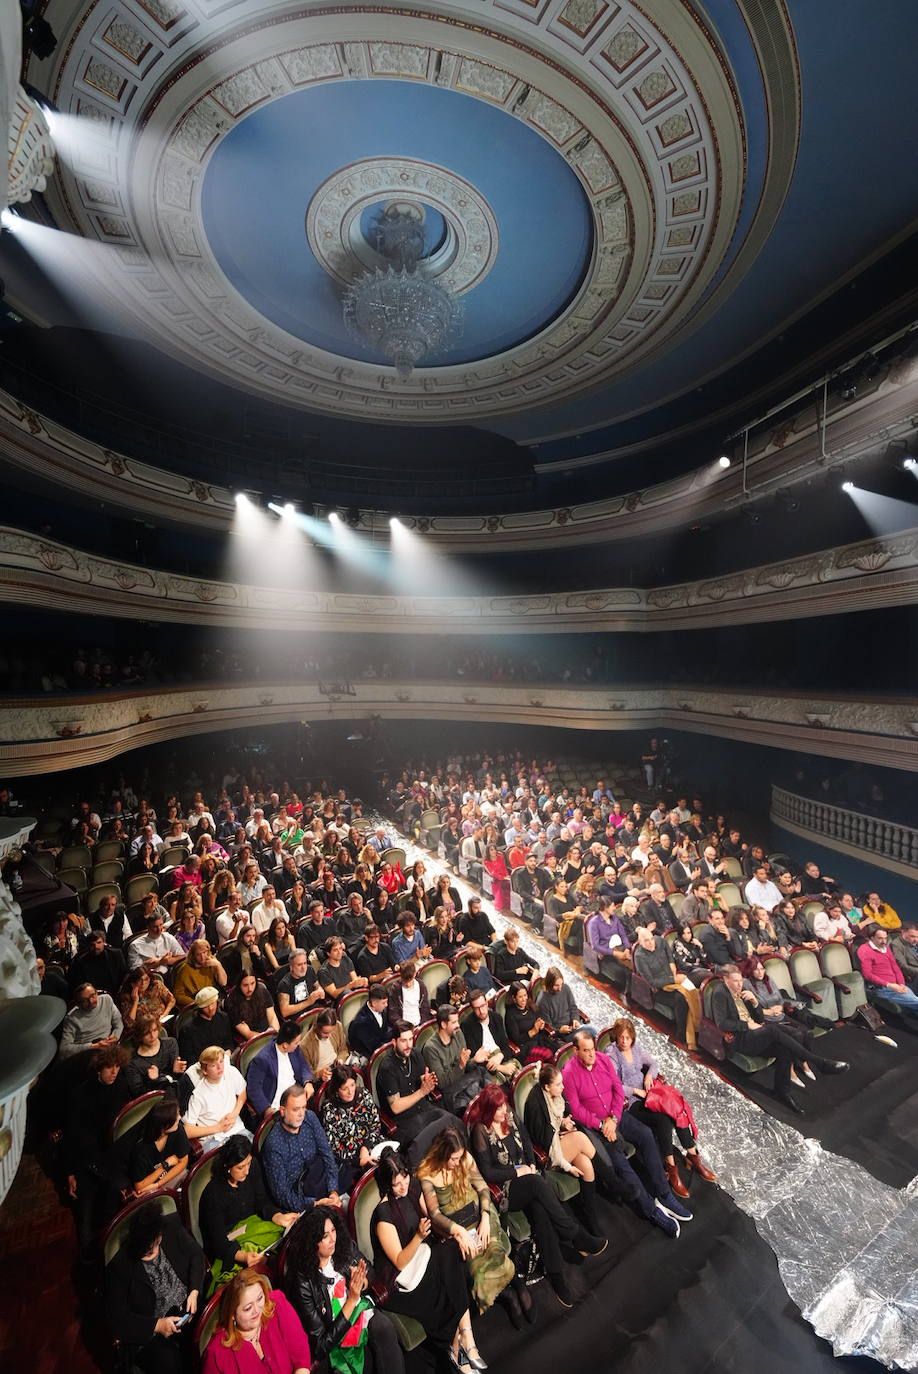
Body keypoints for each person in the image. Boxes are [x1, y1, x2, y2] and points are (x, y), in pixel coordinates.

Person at [469, 1084, 606, 1307]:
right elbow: (487, 1172)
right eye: (499, 1109)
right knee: (536, 1182)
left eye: (505, 1106)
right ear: (488, 1110)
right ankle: (574, 1234)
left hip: (529, 1179)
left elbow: (525, 1140)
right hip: (506, 1189)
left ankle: (557, 1275)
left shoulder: (510, 1115)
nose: (505, 1111)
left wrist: (531, 1163)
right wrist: (519, 1171)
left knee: (541, 1211)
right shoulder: (480, 1131)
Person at [562, 1030, 689, 1237]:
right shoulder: (569, 1073)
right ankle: (651, 1211)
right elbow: (576, 1110)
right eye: (586, 1051)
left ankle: (663, 1193)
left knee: (646, 1135)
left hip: (616, 1116)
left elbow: (618, 1090)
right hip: (597, 1127)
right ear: (575, 1051)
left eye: (593, 1049)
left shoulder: (603, 1060)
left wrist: (613, 1118)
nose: (592, 1054)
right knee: (621, 1163)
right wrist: (602, 1125)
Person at [371, 1147, 477, 1374]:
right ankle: (458, 1348)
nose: (403, 1186)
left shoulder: (412, 1188)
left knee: (452, 1251)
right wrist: (419, 1236)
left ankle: (465, 1339)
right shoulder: (383, 1214)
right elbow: (399, 1261)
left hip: (422, 1257)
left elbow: (430, 1216)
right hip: (398, 1280)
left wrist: (454, 1231)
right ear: (387, 1185)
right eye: (396, 1183)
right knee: (443, 1287)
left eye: (405, 1178)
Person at [709, 964, 849, 1113]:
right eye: (735, 981)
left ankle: (782, 1091)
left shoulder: (743, 991)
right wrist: (747, 1025)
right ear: (725, 979)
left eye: (741, 981)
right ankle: (819, 1062)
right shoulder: (720, 993)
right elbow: (722, 1022)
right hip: (740, 1038)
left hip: (756, 1033)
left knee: (784, 1048)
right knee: (773, 1029)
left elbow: (760, 1017)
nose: (739, 984)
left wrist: (755, 1002)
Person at [284, 1204, 405, 1374]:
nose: (333, 1238)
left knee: (384, 1328)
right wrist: (352, 1298)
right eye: (325, 1236)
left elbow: (369, 1271)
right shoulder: (303, 1281)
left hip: (358, 1311)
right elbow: (321, 1345)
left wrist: (361, 1282)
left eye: (333, 1231)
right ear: (312, 1241)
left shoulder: (342, 1245)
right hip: (334, 1330)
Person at [605, 1018, 715, 1198]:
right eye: (621, 1037)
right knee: (663, 1120)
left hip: (651, 1096)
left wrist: (648, 1076)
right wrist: (636, 1091)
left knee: (676, 1112)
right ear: (616, 1037)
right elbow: (614, 1085)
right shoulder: (612, 1055)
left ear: (633, 1037)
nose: (624, 1041)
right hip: (632, 1103)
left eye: (627, 1037)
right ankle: (672, 1169)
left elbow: (654, 1064)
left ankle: (694, 1157)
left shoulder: (636, 1048)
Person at [416, 1127, 518, 1320]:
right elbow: (435, 1214)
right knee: (478, 1272)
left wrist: (486, 1217)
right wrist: (458, 1232)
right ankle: (509, 1291)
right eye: (453, 1158)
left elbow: (482, 1188)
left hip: (481, 1215)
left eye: (459, 1157)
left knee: (495, 1253)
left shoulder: (464, 1158)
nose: (457, 1162)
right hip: (458, 1229)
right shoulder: (428, 1173)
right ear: (442, 1153)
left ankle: (514, 1286)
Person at [104, 1200, 206, 1374]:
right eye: (149, 1252)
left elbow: (196, 1254)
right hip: (154, 1331)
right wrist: (157, 1325)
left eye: (157, 1244)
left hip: (187, 1308)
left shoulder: (169, 1228)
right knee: (170, 1364)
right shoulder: (120, 1266)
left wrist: (194, 1290)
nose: (155, 1252)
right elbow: (118, 1320)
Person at [199, 1138, 300, 1289]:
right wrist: (244, 1256)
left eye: (248, 1163)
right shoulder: (213, 1194)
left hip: (254, 1225)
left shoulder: (252, 1168)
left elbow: (262, 1201)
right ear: (227, 1166)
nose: (246, 1170)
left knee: (292, 1241)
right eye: (240, 1167)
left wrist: (278, 1217)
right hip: (231, 1241)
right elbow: (218, 1242)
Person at [65, 1043, 131, 1259]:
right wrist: (71, 1172)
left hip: (111, 1158)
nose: (114, 1072)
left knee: (111, 1210)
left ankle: (109, 1252)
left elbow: (123, 1127)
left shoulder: (121, 1086)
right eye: (109, 1067)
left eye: (117, 1067)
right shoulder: (80, 1095)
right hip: (87, 1159)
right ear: (98, 1069)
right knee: (85, 1215)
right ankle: (88, 1258)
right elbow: (73, 1137)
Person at [522, 1061, 606, 1234]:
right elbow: (543, 1139)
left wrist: (563, 1123)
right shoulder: (535, 1104)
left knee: (586, 1164)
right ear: (547, 1087)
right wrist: (558, 1125)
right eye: (558, 1084)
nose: (562, 1087)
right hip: (548, 1154)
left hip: (559, 1142)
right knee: (580, 1138)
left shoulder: (556, 1098)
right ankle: (612, 1179)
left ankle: (590, 1218)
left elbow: (562, 1113)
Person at [375, 1021, 458, 1163]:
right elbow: (396, 1107)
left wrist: (428, 1081)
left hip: (424, 1108)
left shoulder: (415, 1054)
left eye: (410, 1039)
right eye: (403, 1041)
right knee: (434, 1142)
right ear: (394, 1042)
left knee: (454, 1123)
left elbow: (421, 1079)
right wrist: (422, 1091)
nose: (408, 1045)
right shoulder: (387, 1068)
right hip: (403, 1120)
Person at [202, 1268, 311, 1374]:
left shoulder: (277, 1305)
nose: (257, 1310)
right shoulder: (217, 1354)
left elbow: (302, 1357)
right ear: (232, 1314)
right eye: (248, 1308)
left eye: (259, 1298)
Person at [261, 1084, 340, 1213]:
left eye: (303, 1107)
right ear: (282, 1111)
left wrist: (333, 1191)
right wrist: (314, 1204)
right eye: (296, 1109)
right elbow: (281, 1194)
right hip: (299, 1199)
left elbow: (327, 1154)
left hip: (321, 1180)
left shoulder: (310, 1117)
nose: (301, 1114)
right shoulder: (274, 1145)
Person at [743, 958, 818, 1087]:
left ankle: (804, 1062)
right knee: (797, 1035)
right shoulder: (746, 983)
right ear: (750, 970)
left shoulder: (768, 979)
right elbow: (751, 1009)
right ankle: (791, 1070)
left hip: (779, 1015)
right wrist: (769, 1012)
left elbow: (780, 999)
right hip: (766, 1020)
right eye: (756, 969)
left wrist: (780, 1007)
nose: (760, 972)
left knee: (807, 1033)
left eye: (762, 969)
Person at [319, 1063, 386, 1193]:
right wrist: (359, 1160)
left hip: (372, 1145)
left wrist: (365, 1148)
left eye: (352, 1085)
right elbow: (335, 1146)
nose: (350, 1091)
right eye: (344, 1088)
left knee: (392, 1164)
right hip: (350, 1160)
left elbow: (375, 1124)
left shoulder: (364, 1094)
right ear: (337, 1089)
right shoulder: (329, 1109)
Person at [632, 926, 701, 1048]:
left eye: (651, 939)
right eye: (646, 941)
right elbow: (652, 981)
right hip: (659, 989)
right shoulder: (639, 956)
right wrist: (673, 979)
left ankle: (697, 1029)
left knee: (694, 992)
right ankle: (682, 1034)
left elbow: (669, 953)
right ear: (640, 942)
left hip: (674, 978)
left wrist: (672, 963)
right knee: (681, 998)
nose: (650, 943)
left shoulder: (659, 940)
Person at [245, 1020, 313, 1120]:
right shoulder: (262, 1059)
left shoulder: (294, 1049)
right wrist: (266, 1109)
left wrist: (308, 1082)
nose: (298, 1045)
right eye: (296, 1043)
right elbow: (254, 1089)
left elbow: (303, 1065)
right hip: (278, 1107)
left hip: (297, 1096)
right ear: (285, 1045)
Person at [183, 1046, 249, 1144]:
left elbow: (243, 1091)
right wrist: (218, 1127)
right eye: (213, 1065)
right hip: (214, 1139)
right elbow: (187, 1130)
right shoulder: (198, 1095)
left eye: (221, 1061)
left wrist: (235, 1113)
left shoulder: (231, 1071)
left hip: (238, 1130)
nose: (220, 1067)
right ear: (205, 1071)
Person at [129, 1095, 190, 1197]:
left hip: (169, 1178)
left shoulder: (178, 1130)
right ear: (164, 1126)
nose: (180, 1117)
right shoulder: (141, 1149)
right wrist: (165, 1165)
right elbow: (139, 1187)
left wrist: (157, 1184)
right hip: (149, 1187)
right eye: (176, 1116)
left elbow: (183, 1162)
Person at [463, 987, 521, 1083]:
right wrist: (500, 1068)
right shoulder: (467, 1026)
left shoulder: (496, 1018)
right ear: (472, 1009)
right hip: (485, 1068)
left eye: (482, 1006)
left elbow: (506, 1046)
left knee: (521, 1078)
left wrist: (500, 1056)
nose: (481, 1011)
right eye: (477, 1008)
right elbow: (476, 1059)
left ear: (487, 1003)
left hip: (501, 1057)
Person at [857, 926, 918, 1016]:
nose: (884, 941)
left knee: (915, 1002)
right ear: (872, 938)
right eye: (880, 938)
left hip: (896, 985)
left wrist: (901, 983)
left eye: (885, 938)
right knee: (915, 1002)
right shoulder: (864, 950)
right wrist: (890, 985)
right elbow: (867, 974)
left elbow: (895, 967)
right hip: (882, 988)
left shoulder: (885, 948)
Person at [124, 1015, 186, 1097]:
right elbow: (137, 1094)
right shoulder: (132, 1061)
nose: (152, 1036)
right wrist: (153, 1080)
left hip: (175, 1093)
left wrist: (178, 1072)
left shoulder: (170, 1044)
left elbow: (176, 1080)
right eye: (147, 1033)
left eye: (154, 1030)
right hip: (154, 1101)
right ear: (140, 1035)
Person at [58, 982, 124, 1059]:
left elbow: (119, 1023)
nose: (91, 1001)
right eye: (85, 1000)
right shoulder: (71, 1018)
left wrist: (114, 1037)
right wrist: (94, 1046)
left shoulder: (106, 1000)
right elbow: (64, 1050)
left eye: (93, 996)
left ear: (96, 993)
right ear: (78, 1004)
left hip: (107, 1047)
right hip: (86, 1054)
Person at [536, 966, 596, 1043]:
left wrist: (575, 1019)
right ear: (549, 984)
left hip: (573, 1027)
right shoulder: (543, 1001)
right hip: (562, 1035)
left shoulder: (566, 988)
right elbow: (547, 1026)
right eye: (556, 985)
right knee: (588, 1037)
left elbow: (573, 1008)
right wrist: (559, 1031)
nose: (560, 988)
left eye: (561, 984)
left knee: (593, 1032)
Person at [178, 986, 235, 1063]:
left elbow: (229, 1043)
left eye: (212, 1003)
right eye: (206, 1006)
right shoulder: (188, 1029)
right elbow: (187, 1057)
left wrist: (228, 1052)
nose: (211, 1008)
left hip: (223, 1061)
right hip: (201, 1066)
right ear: (200, 1008)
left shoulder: (224, 1018)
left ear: (217, 1001)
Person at [504, 980, 559, 1059]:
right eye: (520, 997)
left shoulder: (530, 1004)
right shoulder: (510, 1015)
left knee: (557, 1050)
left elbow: (538, 1020)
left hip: (539, 1039)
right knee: (548, 1054)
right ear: (514, 998)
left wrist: (541, 1025)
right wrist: (533, 1031)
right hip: (525, 1047)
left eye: (525, 995)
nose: (524, 999)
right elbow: (516, 1040)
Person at [226, 973, 279, 1043]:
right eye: (245, 985)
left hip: (268, 1032)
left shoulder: (262, 991)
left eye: (252, 983)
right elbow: (248, 1033)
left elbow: (272, 1016)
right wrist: (268, 1039)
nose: (250, 989)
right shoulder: (232, 1001)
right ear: (239, 985)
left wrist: (275, 1033)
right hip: (251, 1040)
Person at [301, 1008, 350, 1082]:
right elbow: (306, 1074)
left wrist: (340, 1059)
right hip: (321, 1077)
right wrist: (319, 1074)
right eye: (325, 1033)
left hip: (337, 1068)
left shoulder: (338, 1026)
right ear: (317, 1027)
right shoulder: (305, 1045)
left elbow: (343, 1049)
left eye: (332, 1032)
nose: (329, 1035)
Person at [317, 935, 368, 1004]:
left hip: (353, 993)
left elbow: (354, 979)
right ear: (328, 953)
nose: (339, 952)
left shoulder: (345, 959)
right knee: (347, 993)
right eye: (335, 950)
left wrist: (361, 981)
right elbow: (334, 994)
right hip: (340, 1001)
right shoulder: (324, 971)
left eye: (340, 948)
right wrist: (350, 985)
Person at [277, 948, 325, 1019]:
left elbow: (317, 985)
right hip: (298, 1017)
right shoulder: (284, 984)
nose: (303, 968)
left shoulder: (310, 970)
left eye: (305, 963)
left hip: (314, 1010)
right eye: (299, 965)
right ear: (291, 967)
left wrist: (320, 990)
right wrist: (308, 1002)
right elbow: (285, 1011)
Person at [348, 986, 392, 1061]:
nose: (386, 1005)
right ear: (374, 1003)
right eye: (383, 1003)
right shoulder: (361, 1022)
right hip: (367, 1056)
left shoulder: (382, 1010)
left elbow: (385, 1031)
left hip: (381, 1048)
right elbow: (372, 1046)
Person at [386, 959, 432, 1028]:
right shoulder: (395, 989)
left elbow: (425, 1008)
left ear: (415, 974)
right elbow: (393, 1013)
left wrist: (422, 1025)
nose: (408, 984)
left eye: (410, 980)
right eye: (405, 980)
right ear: (401, 976)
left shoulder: (421, 986)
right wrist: (403, 1026)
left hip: (420, 1025)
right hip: (403, 1027)